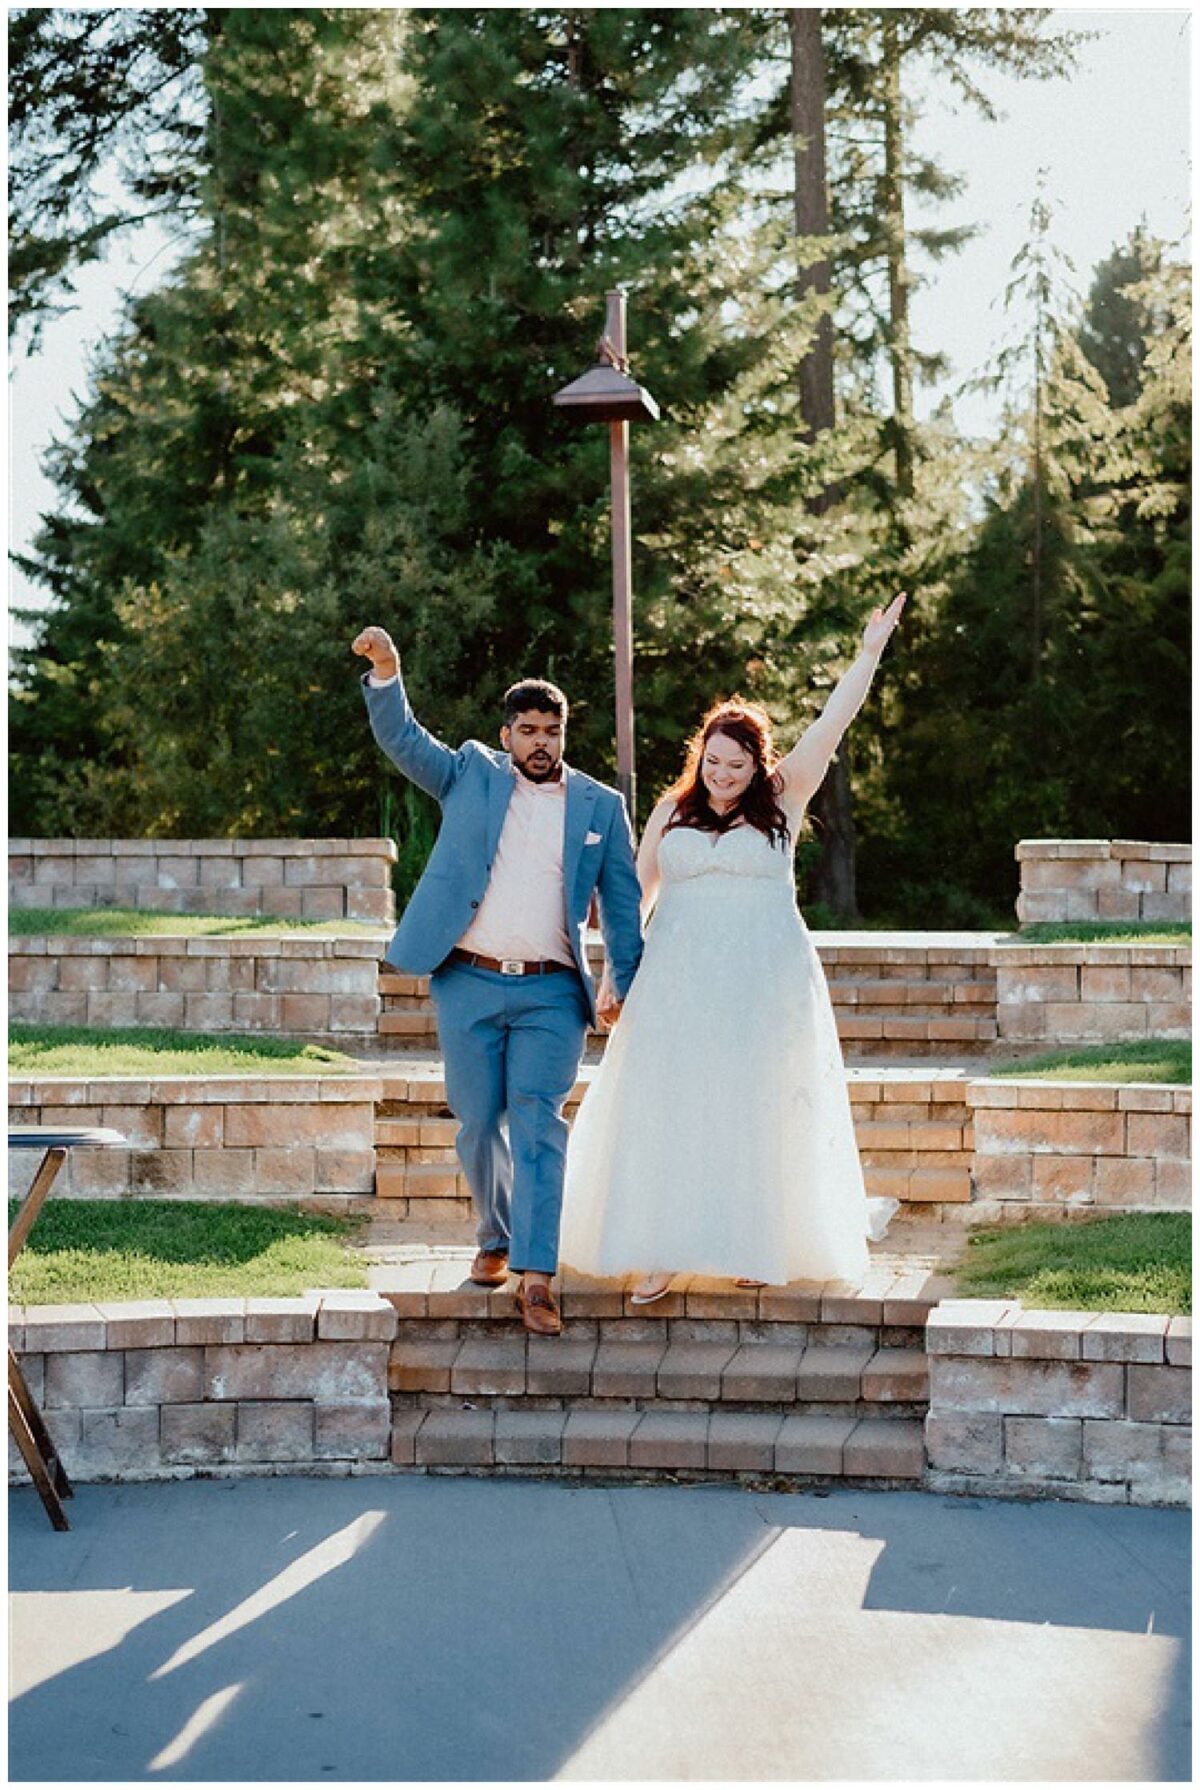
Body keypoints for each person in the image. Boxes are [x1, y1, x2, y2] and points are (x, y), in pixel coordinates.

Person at [558, 595, 906, 1303]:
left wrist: (868, 653)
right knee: (669, 1103)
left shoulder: (784, 798)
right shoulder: (670, 811)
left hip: (764, 976)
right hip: (678, 978)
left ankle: (758, 1241)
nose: (722, 774)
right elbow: (636, 900)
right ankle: (656, 1246)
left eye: (735, 764)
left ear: (756, 765)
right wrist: (613, 977)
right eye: (712, 761)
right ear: (701, 757)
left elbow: (831, 724)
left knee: (758, 1102)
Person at [353, 626, 643, 1335]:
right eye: (528, 730)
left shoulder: (600, 806)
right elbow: (405, 741)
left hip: (552, 992)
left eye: (553, 730)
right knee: (479, 1124)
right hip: (468, 982)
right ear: (506, 733)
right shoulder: (470, 774)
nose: (541, 742)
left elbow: (626, 906)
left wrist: (623, 983)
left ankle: (536, 1277)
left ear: (565, 734)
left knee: (540, 1123)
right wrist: (388, 672)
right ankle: (496, 1237)